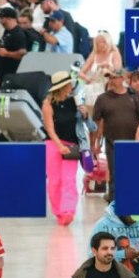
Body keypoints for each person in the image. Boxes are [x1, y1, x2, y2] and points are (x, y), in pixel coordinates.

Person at [92, 68, 139, 202]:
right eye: (109, 77)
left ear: (122, 79)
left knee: (134, 174)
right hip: (113, 144)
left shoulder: (136, 97)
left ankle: (133, 201)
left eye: (114, 77)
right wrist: (95, 143)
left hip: (134, 144)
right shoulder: (103, 99)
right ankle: (115, 204)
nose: (111, 80)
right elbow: (97, 123)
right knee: (115, 175)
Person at [42, 70, 85, 225]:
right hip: (53, 144)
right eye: (68, 85)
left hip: (72, 145)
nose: (70, 87)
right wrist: (59, 146)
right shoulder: (48, 104)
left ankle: (68, 211)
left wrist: (85, 113)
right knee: (55, 180)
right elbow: (49, 128)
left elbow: (84, 122)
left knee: (69, 179)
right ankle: (58, 211)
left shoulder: (74, 102)